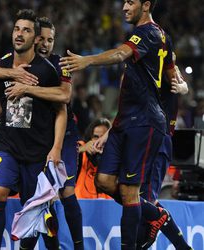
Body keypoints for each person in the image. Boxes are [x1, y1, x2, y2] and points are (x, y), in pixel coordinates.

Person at [60, 0, 188, 249]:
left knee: (130, 192)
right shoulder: (160, 37)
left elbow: (121, 54)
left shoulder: (148, 33)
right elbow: (172, 75)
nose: (124, 7)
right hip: (124, 121)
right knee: (104, 180)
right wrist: (182, 85)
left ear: (146, 5)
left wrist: (87, 61)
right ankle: (156, 214)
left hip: (144, 122)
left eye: (130, 2)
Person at [0, 16, 83, 250]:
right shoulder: (3, 66)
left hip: (38, 151)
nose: (19, 34)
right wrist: (12, 74)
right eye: (16, 29)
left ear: (33, 38)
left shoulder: (50, 69)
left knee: (40, 208)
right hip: (9, 146)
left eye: (26, 31)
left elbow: (63, 103)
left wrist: (55, 148)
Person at [137, 60, 192, 249]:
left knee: (145, 201)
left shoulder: (168, 70)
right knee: (141, 199)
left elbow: (182, 84)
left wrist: (182, 86)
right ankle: (183, 246)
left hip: (160, 139)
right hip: (143, 139)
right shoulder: (144, 72)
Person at [75, 118, 112, 199]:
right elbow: (59, 156)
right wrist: (82, 149)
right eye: (95, 137)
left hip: (110, 208)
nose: (99, 141)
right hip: (83, 206)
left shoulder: (116, 155)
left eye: (103, 137)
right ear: (90, 138)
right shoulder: (80, 151)